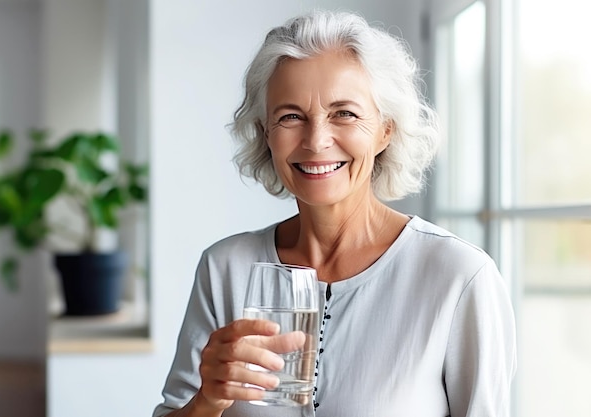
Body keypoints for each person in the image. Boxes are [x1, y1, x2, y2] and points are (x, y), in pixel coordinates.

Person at [153, 9, 516, 417]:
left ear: (385, 130)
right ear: (265, 133)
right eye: (290, 116)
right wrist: (208, 400)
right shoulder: (225, 268)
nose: (316, 140)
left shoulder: (459, 276)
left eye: (344, 113)